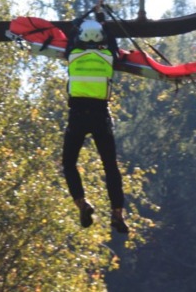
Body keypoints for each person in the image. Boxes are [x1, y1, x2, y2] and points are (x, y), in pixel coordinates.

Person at [61, 14, 129, 234]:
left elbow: (70, 41)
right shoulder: (108, 57)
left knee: (69, 163)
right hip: (100, 116)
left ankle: (82, 204)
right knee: (110, 166)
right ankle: (117, 214)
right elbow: (115, 47)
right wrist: (107, 26)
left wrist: (77, 24)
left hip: (78, 115)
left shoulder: (73, 56)